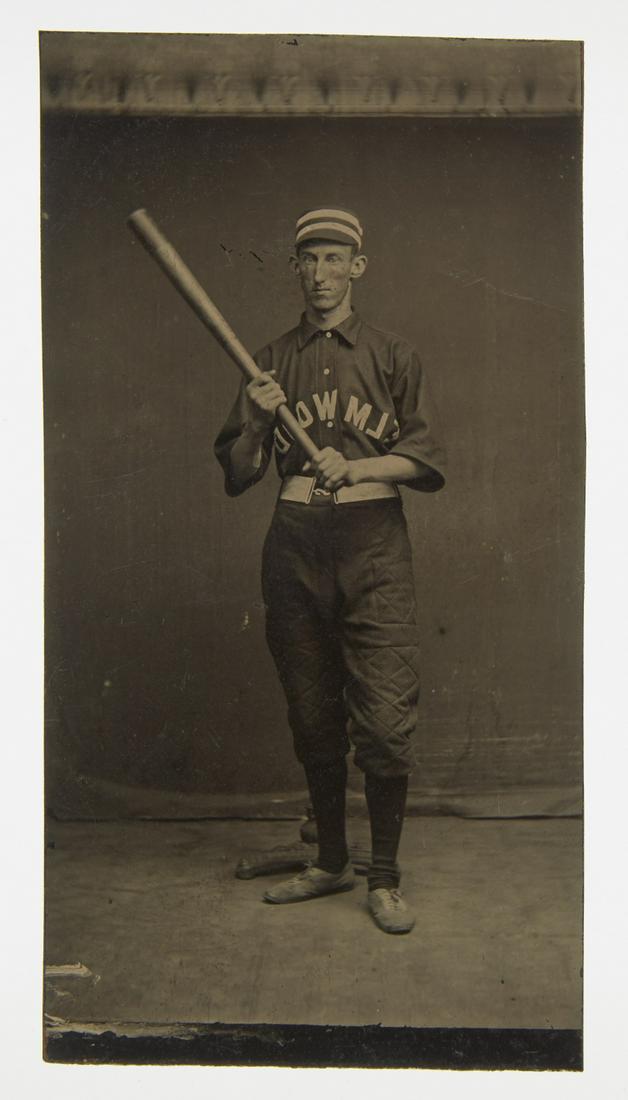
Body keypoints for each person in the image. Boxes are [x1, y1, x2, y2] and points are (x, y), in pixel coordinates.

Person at [214, 206, 446, 934]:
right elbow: (237, 476)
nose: (320, 275)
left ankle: (385, 877)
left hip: (373, 542)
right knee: (312, 713)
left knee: (383, 716)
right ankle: (331, 861)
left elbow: (426, 461)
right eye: (307, 261)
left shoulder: (393, 354)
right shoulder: (268, 361)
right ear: (296, 269)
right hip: (294, 542)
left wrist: (359, 464)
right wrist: (255, 419)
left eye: (333, 260)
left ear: (357, 268)